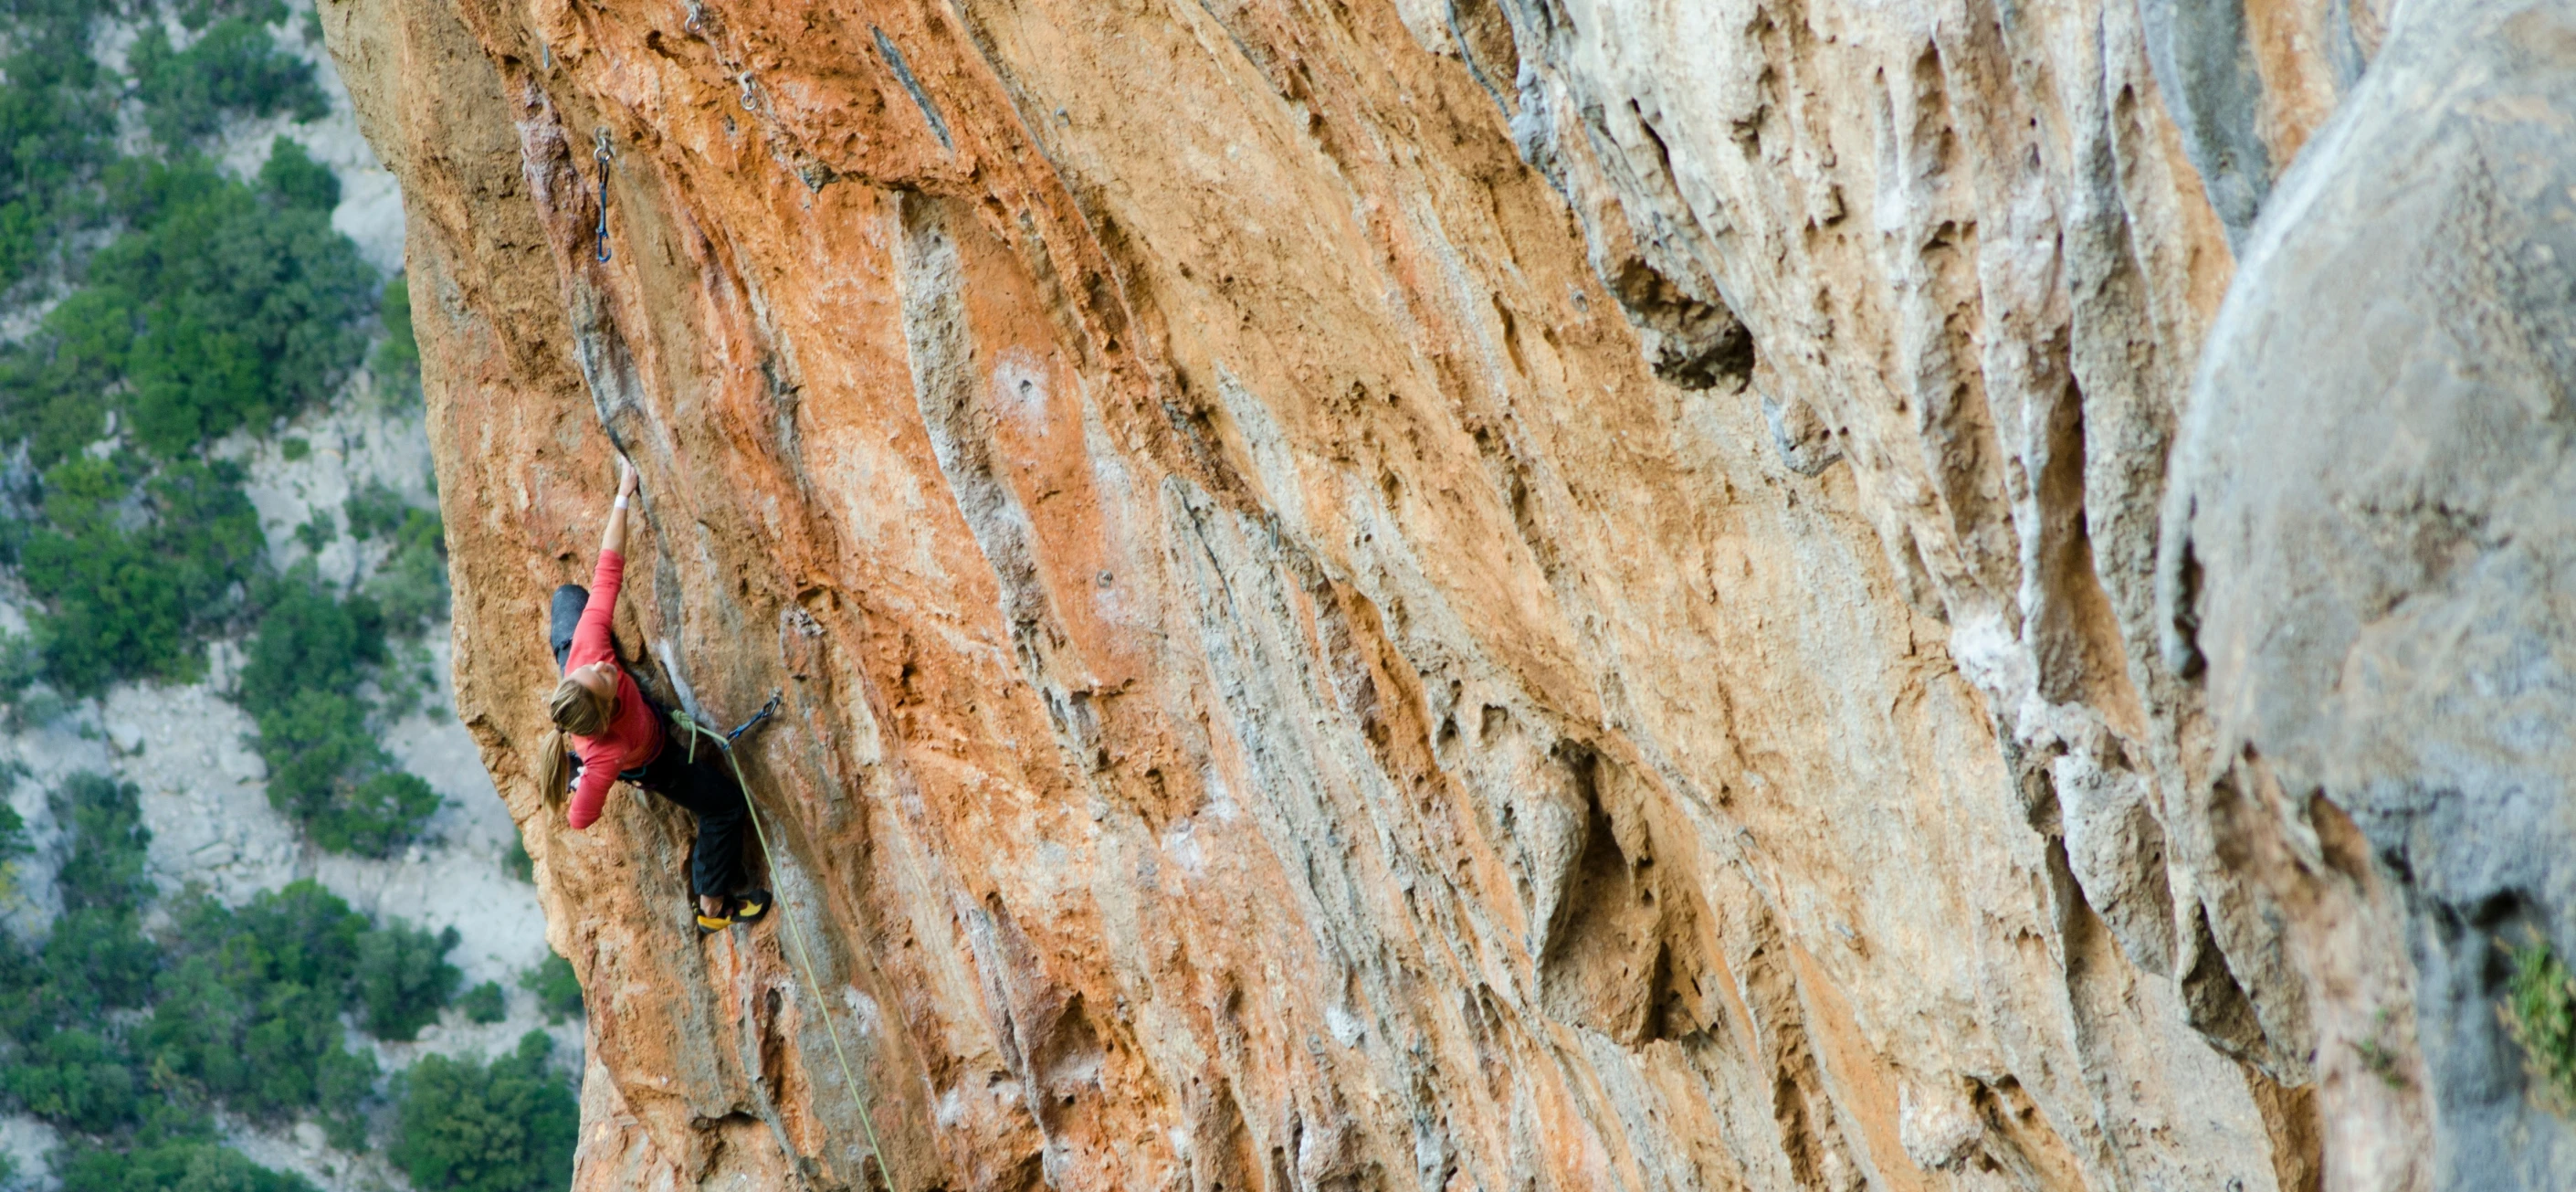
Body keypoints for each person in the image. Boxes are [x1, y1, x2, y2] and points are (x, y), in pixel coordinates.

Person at [540, 459, 769, 934]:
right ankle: (712, 907)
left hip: (591, 691)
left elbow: (607, 574)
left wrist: (623, 495)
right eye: (604, 676)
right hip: (653, 758)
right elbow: (580, 821)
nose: (605, 665)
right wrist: (591, 781)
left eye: (597, 669)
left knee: (569, 599)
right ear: (604, 707)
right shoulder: (608, 752)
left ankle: (571, 681)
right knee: (724, 805)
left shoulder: (590, 651)